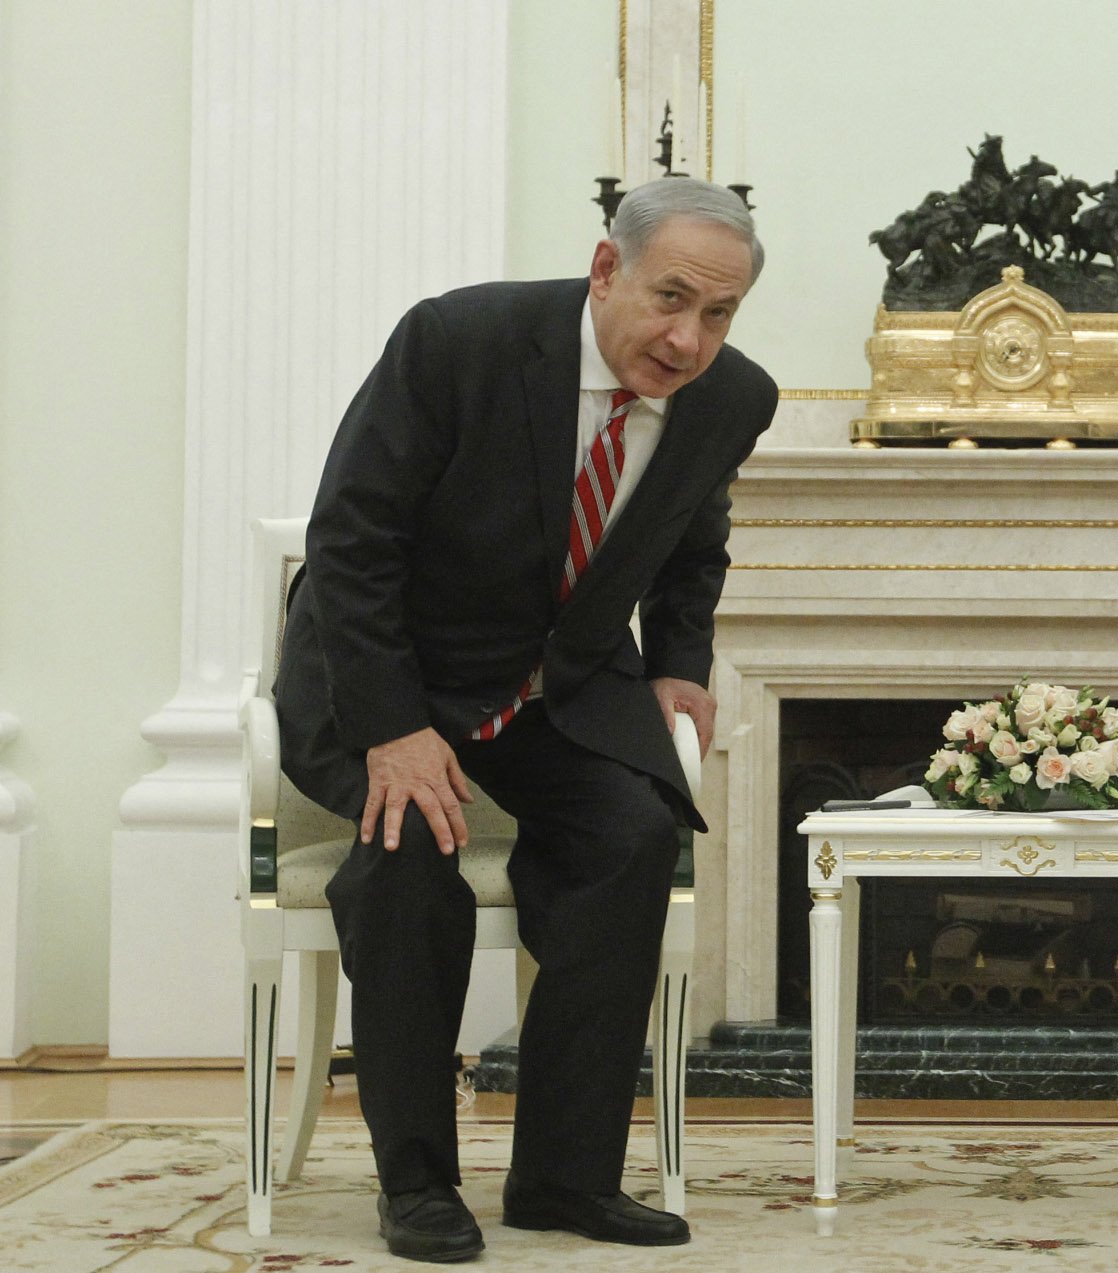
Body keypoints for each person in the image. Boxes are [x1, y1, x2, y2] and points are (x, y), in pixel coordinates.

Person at [274, 177, 776, 1262]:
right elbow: (351, 540)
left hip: (552, 688)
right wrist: (393, 729)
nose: (687, 341)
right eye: (670, 299)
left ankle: (563, 1177)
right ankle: (417, 1181)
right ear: (606, 269)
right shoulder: (459, 340)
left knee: (630, 837)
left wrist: (678, 665)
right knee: (407, 854)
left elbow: (695, 542)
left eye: (718, 313)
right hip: (384, 674)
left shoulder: (733, 398)